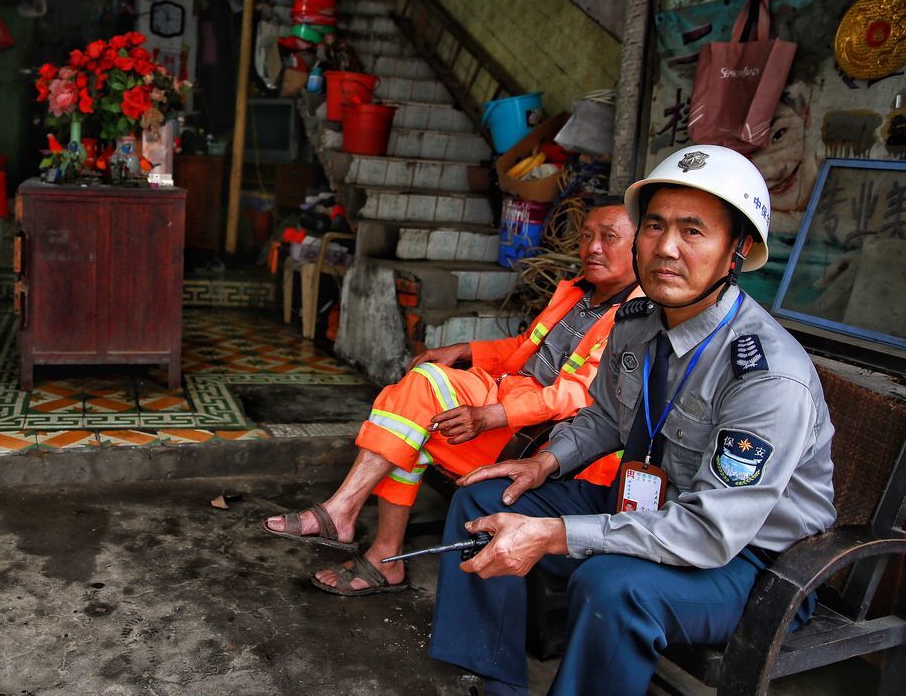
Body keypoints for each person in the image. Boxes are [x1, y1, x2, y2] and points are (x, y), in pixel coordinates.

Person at [430, 145, 837, 696]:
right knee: (486, 498)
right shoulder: (638, 321)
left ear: (736, 249)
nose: (666, 249)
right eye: (654, 226)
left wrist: (554, 534)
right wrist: (543, 463)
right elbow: (605, 415)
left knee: (611, 585)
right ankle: (498, 682)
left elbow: (710, 532)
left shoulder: (766, 376)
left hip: (752, 564)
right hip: (649, 506)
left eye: (693, 232)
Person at [262, 198, 640, 596]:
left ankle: (356, 528)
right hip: (510, 397)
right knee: (412, 411)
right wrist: (467, 350)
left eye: (609, 238)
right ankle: (367, 542)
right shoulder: (579, 293)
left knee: (413, 416)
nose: (592, 247)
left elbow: (580, 395)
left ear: (639, 247)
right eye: (586, 236)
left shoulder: (636, 317)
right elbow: (527, 346)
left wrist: (492, 414)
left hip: (547, 441)